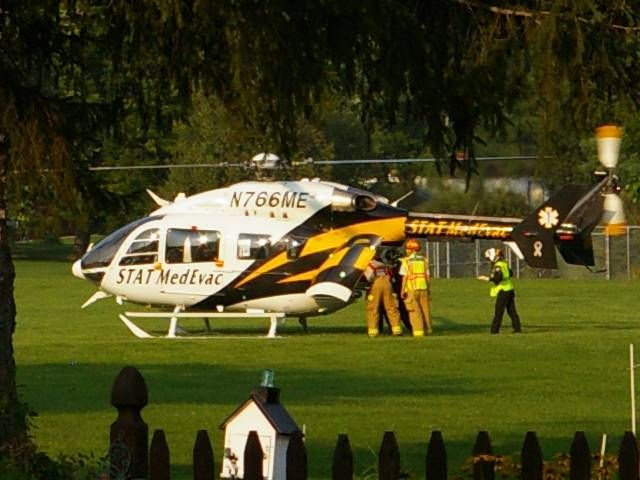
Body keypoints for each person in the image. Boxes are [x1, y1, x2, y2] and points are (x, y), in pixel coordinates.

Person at [478, 247, 522, 334]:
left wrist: (486, 278)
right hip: (510, 289)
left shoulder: (498, 265)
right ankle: (517, 328)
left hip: (503, 290)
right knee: (512, 311)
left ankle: (494, 330)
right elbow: (510, 273)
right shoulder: (503, 263)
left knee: (498, 311)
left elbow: (498, 278)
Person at [363, 254, 403, 337]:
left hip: (376, 285)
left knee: (373, 307)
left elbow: (369, 277)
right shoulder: (383, 265)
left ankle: (373, 331)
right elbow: (391, 276)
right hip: (388, 285)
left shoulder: (369, 265)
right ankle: (397, 329)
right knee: (391, 306)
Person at [399, 239, 432, 337]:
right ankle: (428, 329)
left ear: (412, 250)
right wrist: (429, 289)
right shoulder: (424, 260)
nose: (406, 250)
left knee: (414, 310)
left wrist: (402, 290)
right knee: (425, 309)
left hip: (412, 288)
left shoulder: (406, 261)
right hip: (424, 287)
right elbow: (427, 276)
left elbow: (404, 277)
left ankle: (418, 331)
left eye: (408, 249)